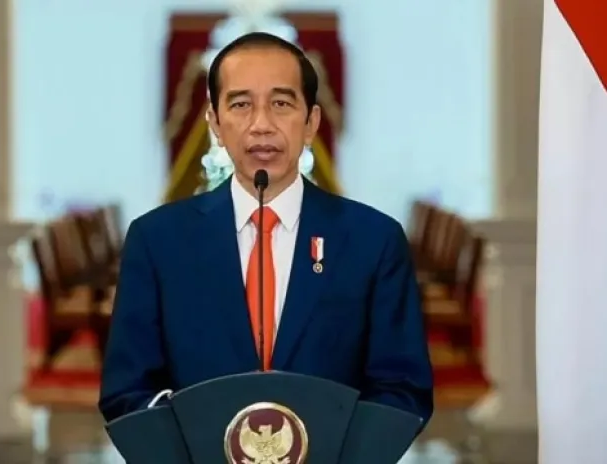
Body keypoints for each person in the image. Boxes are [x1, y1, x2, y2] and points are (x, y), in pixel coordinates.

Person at [99, 32, 433, 427]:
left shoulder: (373, 242)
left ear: (311, 123)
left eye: (281, 104)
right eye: (241, 104)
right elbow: (127, 391)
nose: (261, 125)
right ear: (215, 122)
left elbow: (403, 390)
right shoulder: (156, 241)